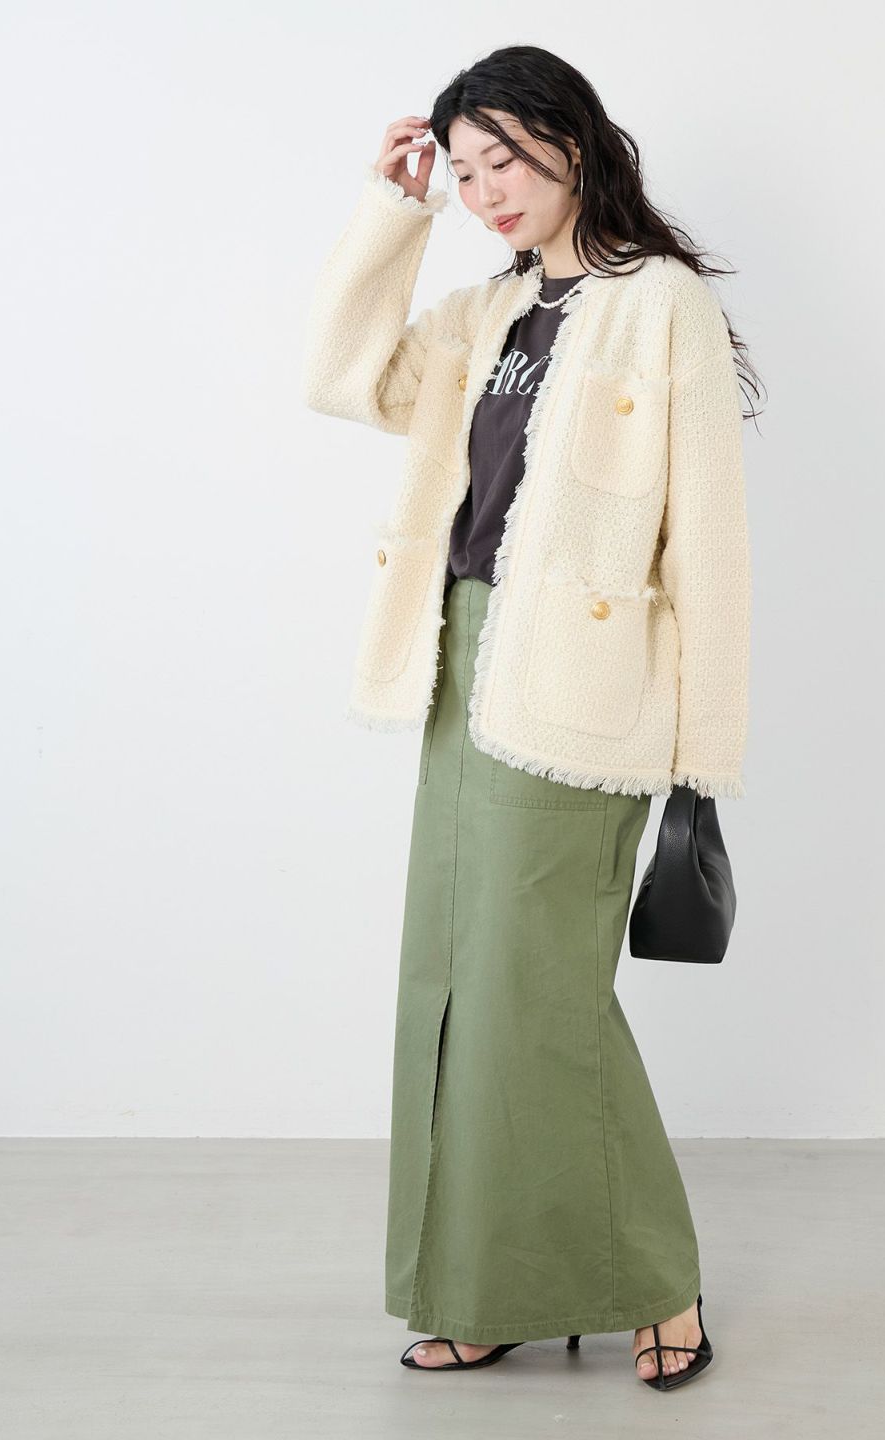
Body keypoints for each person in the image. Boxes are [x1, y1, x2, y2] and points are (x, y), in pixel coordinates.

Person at [302, 44, 760, 1391]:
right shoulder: (486, 309)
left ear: (574, 141)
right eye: (463, 169)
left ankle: (657, 1282)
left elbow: (710, 545)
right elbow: (342, 377)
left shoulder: (658, 305)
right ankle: (488, 1286)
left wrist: (702, 753)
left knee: (540, 997)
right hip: (460, 667)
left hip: (584, 691)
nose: (486, 188)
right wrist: (392, 216)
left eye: (504, 156)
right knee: (453, 991)